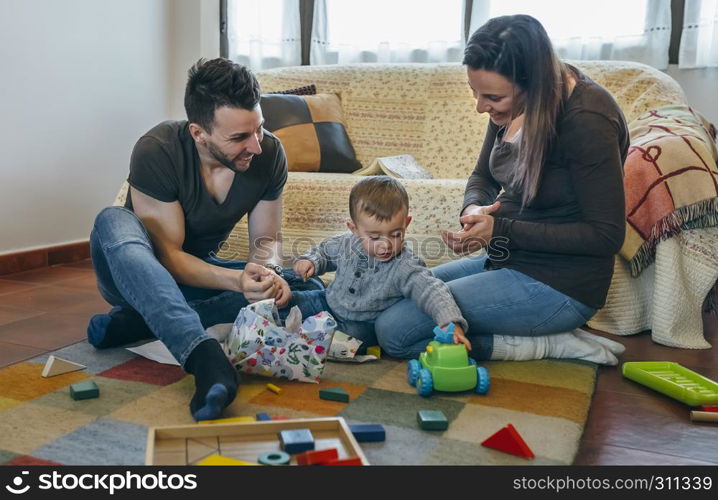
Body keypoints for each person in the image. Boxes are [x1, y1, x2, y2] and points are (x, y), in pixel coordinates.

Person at [374, 14, 628, 365]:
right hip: (506, 261)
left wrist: (500, 230)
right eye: (474, 92)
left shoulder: (587, 119)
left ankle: (550, 343)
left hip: (560, 286)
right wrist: (473, 209)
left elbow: (606, 236)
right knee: (392, 294)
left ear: (532, 83)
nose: (480, 107)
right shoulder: (515, 106)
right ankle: (532, 329)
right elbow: (483, 176)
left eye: (491, 96)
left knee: (395, 332)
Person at [87, 58, 322, 421]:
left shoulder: (269, 153)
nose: (256, 146)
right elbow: (168, 258)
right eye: (239, 137)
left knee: (299, 284)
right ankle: (206, 360)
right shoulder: (157, 149)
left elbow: (266, 240)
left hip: (198, 281)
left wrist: (267, 275)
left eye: (258, 129)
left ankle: (139, 324)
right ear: (199, 133)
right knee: (112, 220)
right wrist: (237, 281)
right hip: (137, 275)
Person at [288, 176, 470, 350]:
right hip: (328, 301)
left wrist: (450, 322)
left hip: (363, 324)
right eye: (374, 237)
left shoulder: (405, 264)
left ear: (406, 223)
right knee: (292, 301)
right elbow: (323, 252)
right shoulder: (345, 244)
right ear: (354, 229)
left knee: (345, 340)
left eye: (395, 234)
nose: (385, 245)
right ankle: (287, 324)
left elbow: (431, 290)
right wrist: (310, 261)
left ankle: (308, 335)